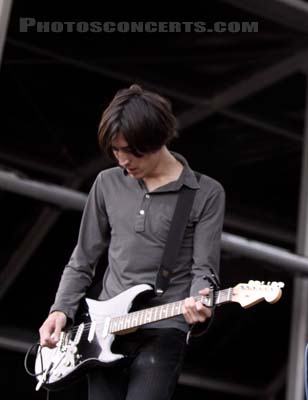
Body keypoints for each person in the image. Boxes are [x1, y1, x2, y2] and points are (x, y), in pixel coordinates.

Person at [38, 84, 225, 400]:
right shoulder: (106, 183)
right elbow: (83, 258)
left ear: (159, 140)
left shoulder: (205, 193)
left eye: (131, 150)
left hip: (165, 326)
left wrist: (201, 301)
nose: (123, 160)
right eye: (115, 150)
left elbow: (204, 271)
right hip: (104, 326)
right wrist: (61, 310)